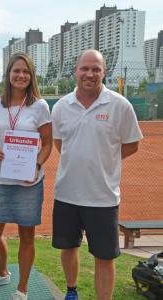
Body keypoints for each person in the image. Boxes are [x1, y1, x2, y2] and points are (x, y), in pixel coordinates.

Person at [51, 49, 143, 300]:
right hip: (67, 194)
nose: (89, 74)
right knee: (68, 248)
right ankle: (72, 291)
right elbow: (61, 144)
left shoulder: (120, 105)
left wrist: (105, 158)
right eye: (85, 68)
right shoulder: (61, 107)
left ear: (104, 72)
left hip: (103, 198)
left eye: (96, 69)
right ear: (76, 71)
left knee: (104, 256)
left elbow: (132, 144)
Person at [0, 53, 52, 300]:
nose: (21, 76)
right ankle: (2, 273)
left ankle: (22, 289)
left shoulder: (40, 106)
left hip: (28, 183)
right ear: (8, 74)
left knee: (26, 235)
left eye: (26, 72)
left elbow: (48, 144)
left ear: (32, 77)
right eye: (17, 71)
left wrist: (37, 166)